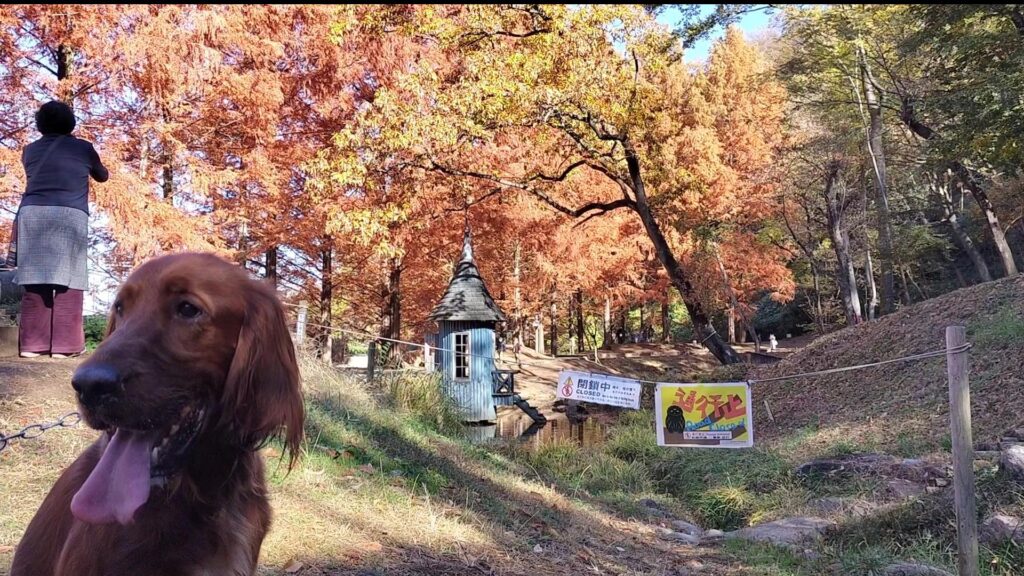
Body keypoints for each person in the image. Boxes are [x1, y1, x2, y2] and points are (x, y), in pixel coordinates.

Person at [13, 100, 108, 358]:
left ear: (40, 124)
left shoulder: (29, 151)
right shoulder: (84, 149)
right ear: (70, 122)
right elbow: (102, 175)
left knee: (35, 280)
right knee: (70, 280)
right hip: (70, 214)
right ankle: (65, 348)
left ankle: (33, 346)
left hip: (33, 214)